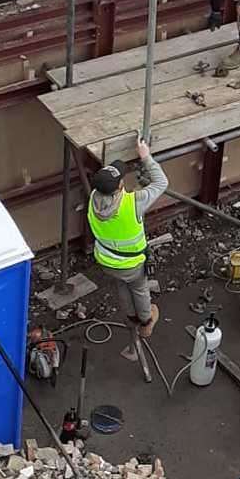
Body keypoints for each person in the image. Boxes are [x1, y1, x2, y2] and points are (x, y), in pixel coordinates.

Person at [87, 139, 167, 362]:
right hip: (132, 264)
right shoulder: (133, 202)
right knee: (139, 288)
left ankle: (130, 317)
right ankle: (145, 322)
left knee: (122, 285)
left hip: (106, 261)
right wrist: (146, 157)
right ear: (121, 186)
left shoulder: (93, 200)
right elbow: (161, 183)